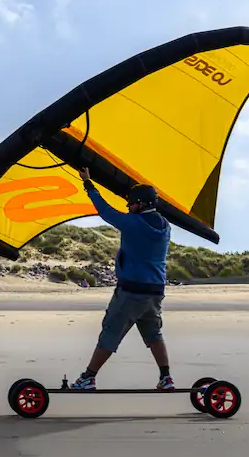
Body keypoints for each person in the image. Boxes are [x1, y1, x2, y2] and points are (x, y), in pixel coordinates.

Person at [68, 167, 174, 391]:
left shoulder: (132, 223)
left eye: (131, 204)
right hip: (155, 291)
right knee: (153, 333)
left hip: (131, 291)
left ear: (141, 204)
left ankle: (88, 377)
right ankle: (166, 378)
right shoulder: (166, 226)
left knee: (111, 332)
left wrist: (88, 184)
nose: (128, 207)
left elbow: (104, 210)